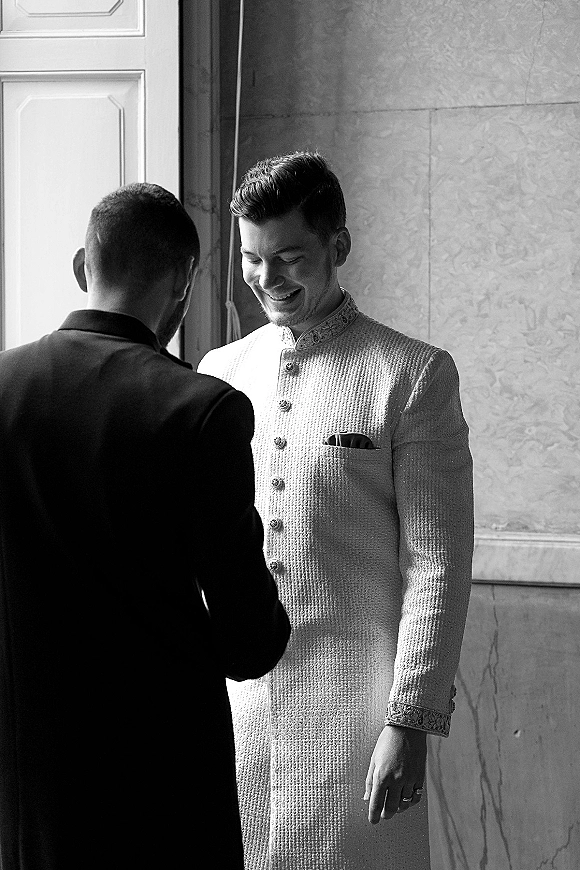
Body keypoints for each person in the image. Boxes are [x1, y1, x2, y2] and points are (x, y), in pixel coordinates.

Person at [0, 182, 290, 870]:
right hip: (160, 775)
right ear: (184, 286)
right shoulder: (201, 410)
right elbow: (250, 641)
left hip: (26, 768)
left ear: (82, 266)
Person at [198, 152, 474, 869]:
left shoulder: (411, 374)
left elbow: (437, 561)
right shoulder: (218, 374)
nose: (267, 279)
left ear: (338, 247)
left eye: (289, 256)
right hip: (237, 707)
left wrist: (408, 720)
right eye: (253, 260)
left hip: (356, 710)